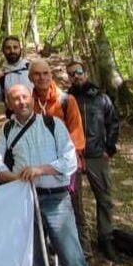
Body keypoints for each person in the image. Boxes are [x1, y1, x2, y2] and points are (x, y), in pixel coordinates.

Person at [0, 84, 112, 266]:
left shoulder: (52, 124)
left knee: (73, 263)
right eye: (15, 99)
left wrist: (41, 169)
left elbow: (69, 161)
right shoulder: (7, 132)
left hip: (56, 200)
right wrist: (16, 176)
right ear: (8, 103)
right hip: (24, 202)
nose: (21, 102)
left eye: (24, 97)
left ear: (32, 99)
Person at [67, 61, 121, 260]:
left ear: (85, 73)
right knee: (74, 201)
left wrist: (110, 147)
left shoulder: (100, 97)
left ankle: (106, 237)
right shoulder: (66, 99)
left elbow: (113, 122)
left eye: (78, 72)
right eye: (71, 74)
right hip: (74, 156)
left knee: (104, 198)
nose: (76, 76)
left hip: (97, 154)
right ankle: (80, 242)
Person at [29, 60, 87, 234]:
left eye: (45, 73)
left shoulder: (66, 100)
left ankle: (84, 253)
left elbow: (76, 134)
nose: (42, 78)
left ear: (51, 75)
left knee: (75, 208)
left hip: (66, 165)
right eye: (37, 74)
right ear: (30, 77)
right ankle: (52, 251)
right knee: (46, 209)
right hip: (41, 167)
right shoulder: (28, 103)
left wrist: (71, 164)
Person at [0, 36, 32, 108]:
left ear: (20, 49)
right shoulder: (1, 74)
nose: (12, 51)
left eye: (15, 47)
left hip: (35, 112)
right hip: (13, 115)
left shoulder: (31, 68)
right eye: (8, 48)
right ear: (3, 51)